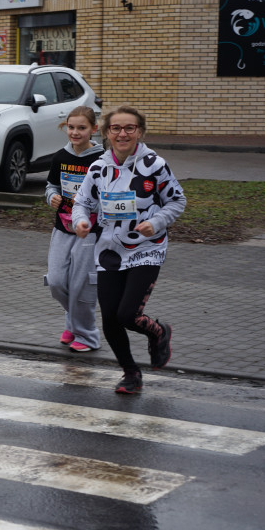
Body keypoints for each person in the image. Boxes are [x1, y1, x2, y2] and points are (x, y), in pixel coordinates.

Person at [71, 105, 186, 395]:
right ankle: (131, 373)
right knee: (110, 317)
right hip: (109, 250)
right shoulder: (98, 167)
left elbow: (176, 201)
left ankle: (158, 332)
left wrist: (156, 222)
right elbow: (82, 201)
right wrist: (81, 221)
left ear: (140, 131)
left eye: (129, 128)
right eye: (116, 128)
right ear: (106, 132)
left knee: (127, 314)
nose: (122, 134)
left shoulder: (154, 165)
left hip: (146, 248)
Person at [44, 106, 104, 353]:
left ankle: (88, 336)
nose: (75, 132)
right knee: (57, 282)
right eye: (71, 127)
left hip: (90, 231)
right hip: (63, 228)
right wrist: (52, 197)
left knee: (82, 285)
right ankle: (74, 321)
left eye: (82, 128)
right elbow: (51, 186)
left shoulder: (102, 161)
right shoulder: (60, 157)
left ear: (94, 130)